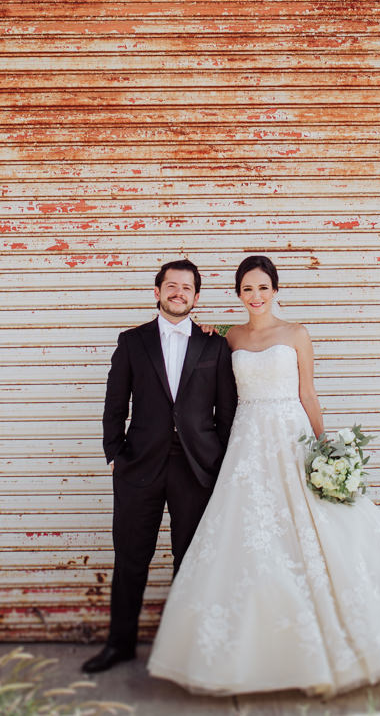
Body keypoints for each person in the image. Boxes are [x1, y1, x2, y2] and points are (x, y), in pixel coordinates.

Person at [146, 253, 380, 695]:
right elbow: (203, 357)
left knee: (328, 531)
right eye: (247, 289)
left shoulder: (296, 334)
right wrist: (209, 328)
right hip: (249, 444)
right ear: (237, 294)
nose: (255, 296)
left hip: (292, 437)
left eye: (263, 288)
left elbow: (308, 393)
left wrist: (326, 448)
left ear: (276, 291)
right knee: (251, 537)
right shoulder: (227, 338)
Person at [82, 258, 238, 674]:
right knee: (130, 559)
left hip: (196, 470)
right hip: (139, 469)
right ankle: (121, 645)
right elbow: (115, 404)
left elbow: (228, 411)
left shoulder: (215, 345)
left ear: (196, 297)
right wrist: (115, 454)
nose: (178, 293)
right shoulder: (133, 341)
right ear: (157, 291)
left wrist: (217, 460)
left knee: (190, 561)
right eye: (171, 286)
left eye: (187, 288)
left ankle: (186, 650)